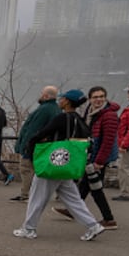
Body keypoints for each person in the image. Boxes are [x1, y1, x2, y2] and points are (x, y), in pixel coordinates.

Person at [13, 89, 105, 242]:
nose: (60, 101)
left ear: (67, 101)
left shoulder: (62, 118)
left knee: (37, 197)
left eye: (62, 98)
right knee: (74, 199)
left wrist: (31, 144)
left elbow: (41, 134)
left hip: (54, 163)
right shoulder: (80, 120)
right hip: (68, 165)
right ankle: (93, 225)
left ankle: (29, 229)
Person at [52, 86, 118, 230]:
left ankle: (109, 219)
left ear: (105, 98)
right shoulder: (91, 111)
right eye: (95, 97)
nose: (98, 99)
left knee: (95, 188)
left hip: (99, 157)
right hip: (91, 154)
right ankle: (74, 210)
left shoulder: (109, 115)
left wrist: (100, 161)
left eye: (101, 96)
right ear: (90, 99)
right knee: (86, 185)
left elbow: (108, 140)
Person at [11, 86, 61, 202]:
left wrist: (25, 147)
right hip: (45, 146)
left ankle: (26, 194)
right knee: (39, 171)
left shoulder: (44, 110)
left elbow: (32, 130)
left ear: (46, 96)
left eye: (42, 93)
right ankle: (35, 194)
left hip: (34, 146)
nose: (40, 95)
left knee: (26, 169)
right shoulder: (55, 109)